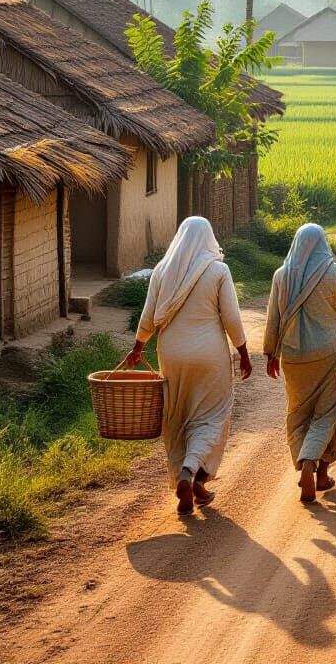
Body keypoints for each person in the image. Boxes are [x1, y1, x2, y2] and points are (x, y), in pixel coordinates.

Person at [125, 216, 252, 515]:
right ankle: (190, 471)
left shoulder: (161, 271)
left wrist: (138, 347)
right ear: (209, 238)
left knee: (179, 414)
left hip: (171, 354)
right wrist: (243, 352)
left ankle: (195, 484)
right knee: (212, 416)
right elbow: (231, 318)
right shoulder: (218, 270)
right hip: (209, 355)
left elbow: (147, 317)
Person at [264, 224, 336, 503]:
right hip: (330, 354)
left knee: (297, 414)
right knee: (328, 414)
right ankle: (313, 465)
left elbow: (273, 319)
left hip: (293, 357)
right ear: (323, 244)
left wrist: (271, 354)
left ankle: (310, 468)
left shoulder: (281, 276)